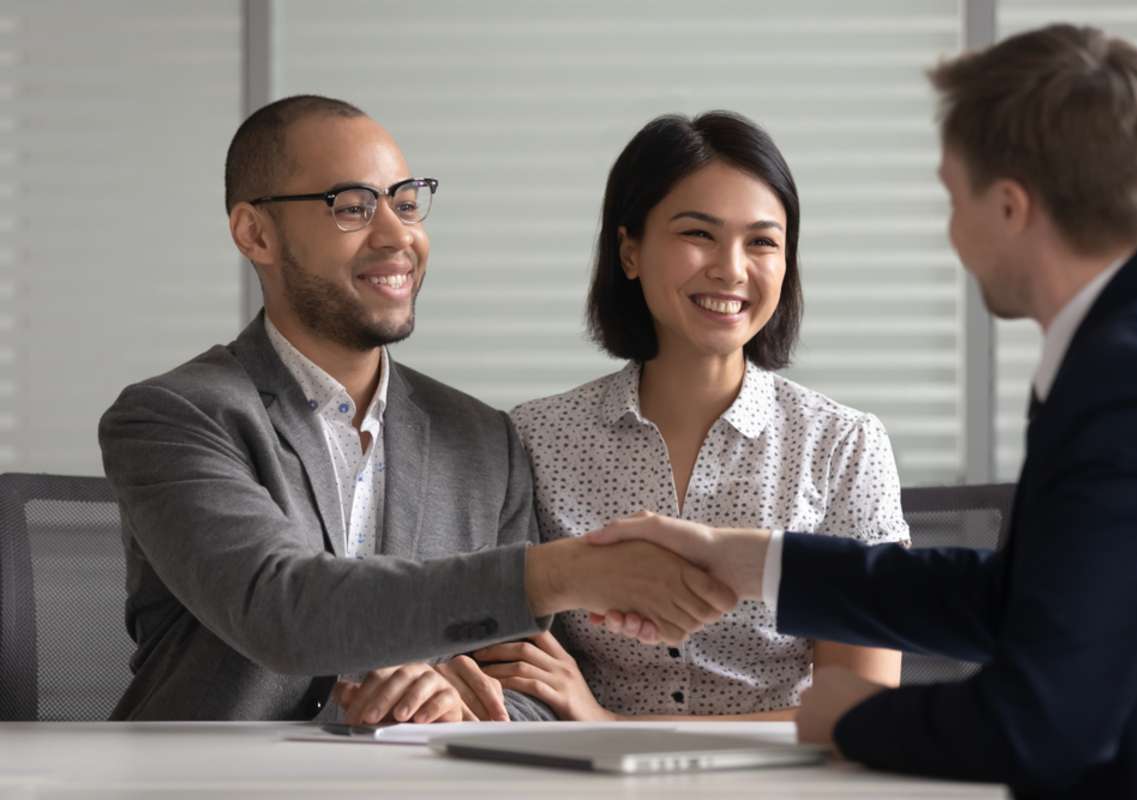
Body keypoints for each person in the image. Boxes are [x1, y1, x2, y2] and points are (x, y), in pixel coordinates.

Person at [587, 24, 1137, 799]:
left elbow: (1039, 725)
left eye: (952, 196)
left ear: (1010, 207)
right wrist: (751, 562)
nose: (951, 232)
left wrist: (852, 718)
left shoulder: (1136, 380)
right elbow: (1033, 598)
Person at [98, 94, 736, 722]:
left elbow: (537, 688)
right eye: (352, 206)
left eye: (406, 203)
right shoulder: (173, 418)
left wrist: (461, 703)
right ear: (255, 233)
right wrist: (560, 573)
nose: (397, 233)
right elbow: (283, 609)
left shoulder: (483, 439)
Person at [452, 112, 908, 723]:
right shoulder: (534, 438)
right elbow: (503, 659)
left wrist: (616, 730)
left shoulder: (845, 445)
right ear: (630, 251)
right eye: (699, 234)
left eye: (763, 241)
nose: (731, 268)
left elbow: (861, 707)